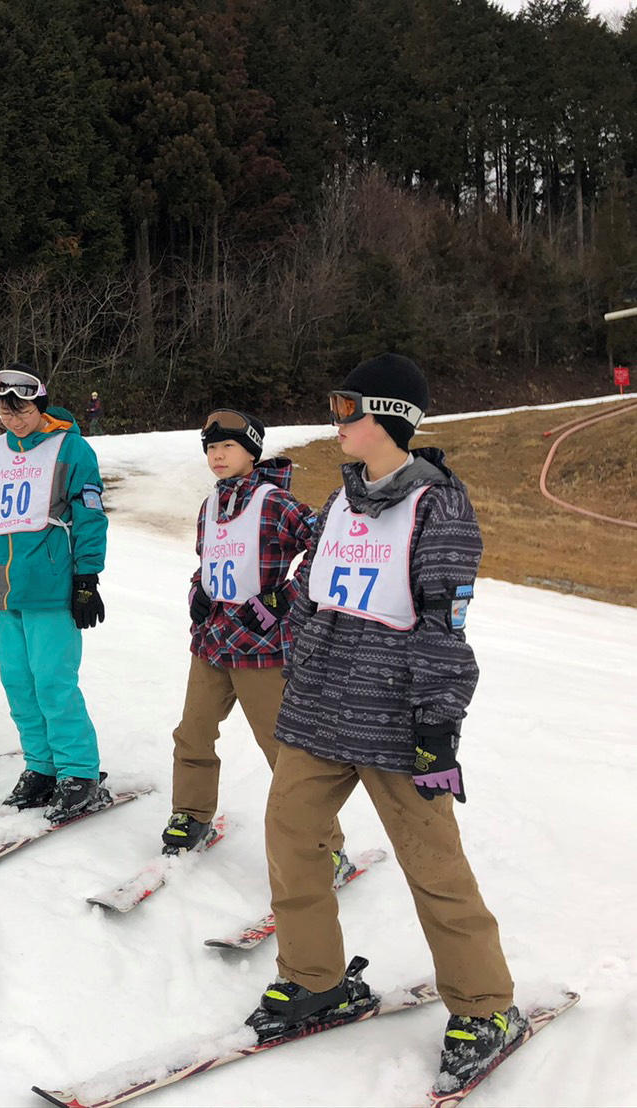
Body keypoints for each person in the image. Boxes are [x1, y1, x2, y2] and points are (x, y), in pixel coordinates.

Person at [246, 354, 518, 1090]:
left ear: (391, 418)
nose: (337, 423)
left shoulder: (438, 506)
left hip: (397, 721)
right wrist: (290, 645)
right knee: (293, 838)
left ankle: (486, 1007)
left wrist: (439, 721)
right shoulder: (339, 502)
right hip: (317, 711)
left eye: (349, 409)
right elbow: (311, 590)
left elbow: (443, 624)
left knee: (433, 863)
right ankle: (316, 978)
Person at [162, 409, 353, 869]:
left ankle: (325, 846)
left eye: (227, 447)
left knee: (284, 751)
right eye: (211, 448)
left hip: (261, 647)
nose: (217, 456)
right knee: (193, 733)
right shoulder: (210, 505)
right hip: (211, 642)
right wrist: (197, 591)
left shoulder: (273, 502)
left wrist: (283, 598)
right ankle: (192, 814)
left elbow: (326, 545)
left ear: (251, 451)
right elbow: (208, 562)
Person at [0, 365, 109, 823]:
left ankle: (79, 772)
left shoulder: (72, 448)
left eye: (21, 407)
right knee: (18, 683)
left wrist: (87, 578)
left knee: (52, 681)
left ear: (39, 405)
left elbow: (90, 515)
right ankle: (42, 767)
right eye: (5, 407)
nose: (13, 416)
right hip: (3, 584)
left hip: (51, 583)